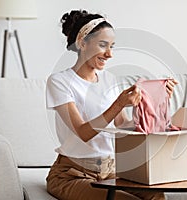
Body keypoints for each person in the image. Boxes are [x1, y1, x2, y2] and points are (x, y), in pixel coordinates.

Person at [45, 9, 176, 200]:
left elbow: (122, 126)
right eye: (103, 45)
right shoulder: (60, 81)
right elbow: (83, 132)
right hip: (72, 174)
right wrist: (119, 103)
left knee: (157, 196)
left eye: (112, 46)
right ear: (82, 43)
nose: (109, 54)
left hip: (112, 172)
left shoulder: (110, 80)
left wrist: (157, 99)